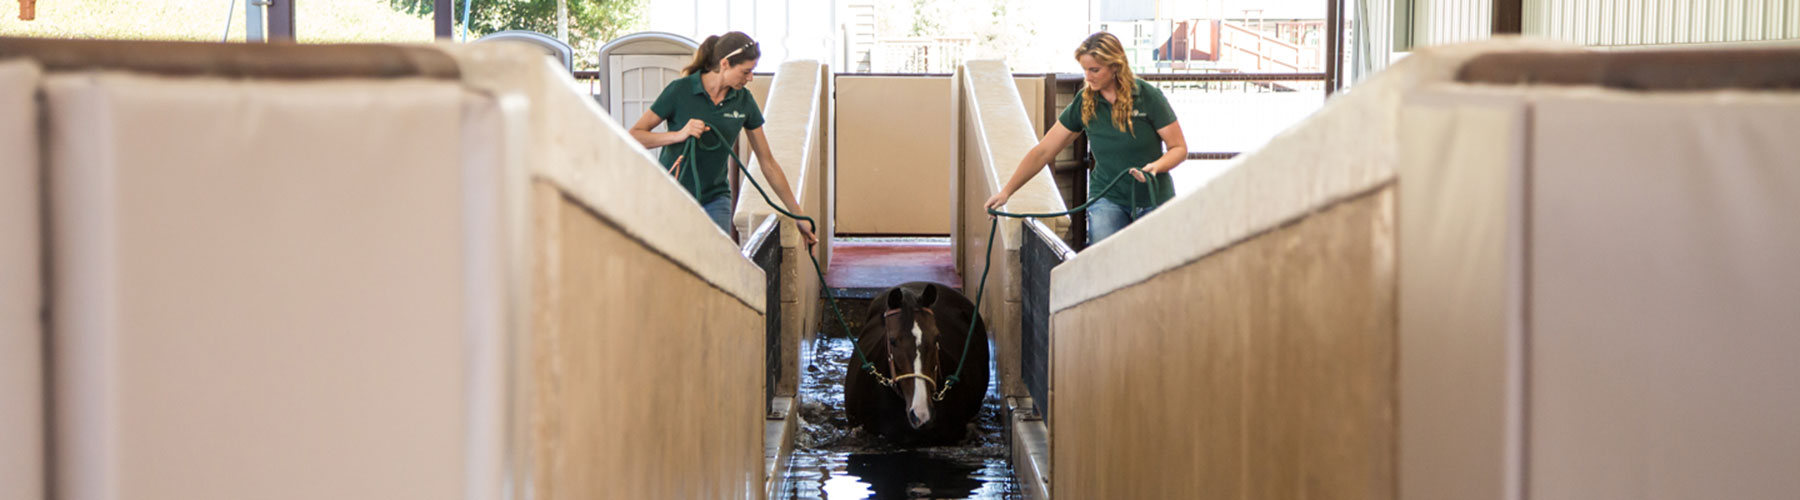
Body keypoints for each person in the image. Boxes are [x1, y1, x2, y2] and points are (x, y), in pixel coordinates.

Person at [984, 32, 1187, 245]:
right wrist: (1006, 192)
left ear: (1115, 67)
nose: (1088, 77)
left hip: (1154, 197)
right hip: (1108, 198)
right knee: (1103, 262)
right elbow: (1044, 151)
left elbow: (1179, 148)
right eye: (1085, 70)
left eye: (1095, 70)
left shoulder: (1147, 96)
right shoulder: (1085, 102)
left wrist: (1156, 167)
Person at [629, 31, 817, 244]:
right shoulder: (679, 91)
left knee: (717, 269)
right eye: (746, 72)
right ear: (725, 63)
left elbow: (768, 163)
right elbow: (634, 136)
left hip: (715, 199)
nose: (750, 78)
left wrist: (797, 215)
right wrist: (678, 135)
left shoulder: (743, 100)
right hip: (671, 195)